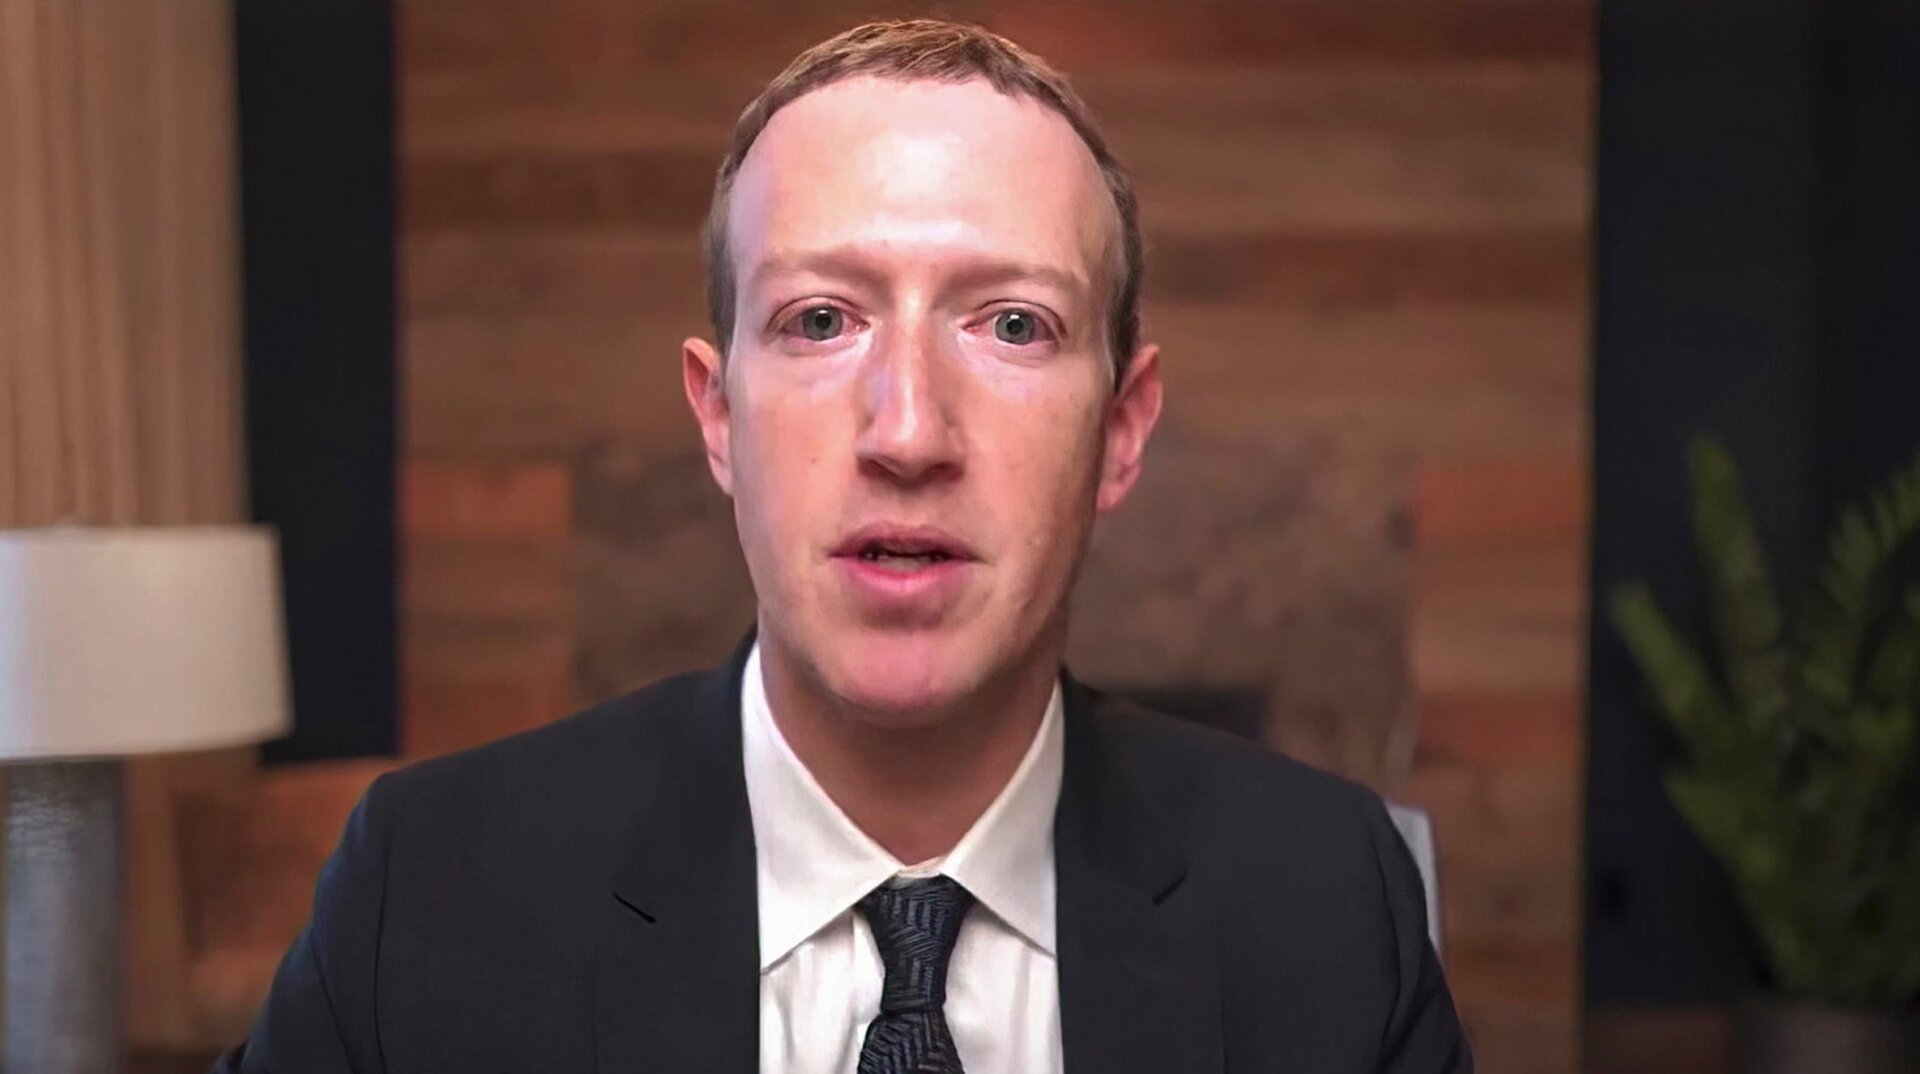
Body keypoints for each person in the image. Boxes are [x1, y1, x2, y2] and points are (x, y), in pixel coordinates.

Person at [214, 19, 1470, 1074]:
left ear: (1124, 429)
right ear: (717, 415)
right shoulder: (425, 895)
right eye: (821, 319)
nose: (909, 432)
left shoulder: (1328, 902)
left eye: (1013, 325)